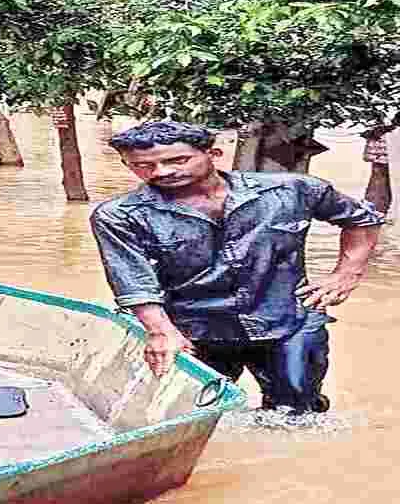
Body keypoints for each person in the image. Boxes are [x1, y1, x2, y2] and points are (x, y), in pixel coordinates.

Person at [90, 120, 383, 414]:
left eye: (177, 160)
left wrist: (347, 274)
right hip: (193, 330)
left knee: (298, 414)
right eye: (143, 165)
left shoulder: (292, 189)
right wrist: (160, 331)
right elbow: (134, 283)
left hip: (288, 321)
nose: (161, 172)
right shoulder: (118, 216)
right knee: (187, 414)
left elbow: (362, 219)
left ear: (214, 154)